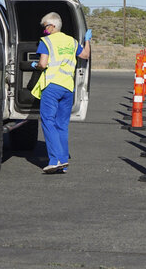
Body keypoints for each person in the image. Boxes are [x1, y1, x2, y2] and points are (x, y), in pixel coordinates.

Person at [31, 12, 91, 173]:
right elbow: (85, 55)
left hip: (51, 86)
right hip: (67, 88)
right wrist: (87, 40)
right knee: (62, 125)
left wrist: (35, 65)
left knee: (48, 121)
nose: (44, 31)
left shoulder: (46, 41)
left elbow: (43, 64)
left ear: (53, 26)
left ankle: (55, 159)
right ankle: (63, 161)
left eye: (45, 27)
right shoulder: (71, 41)